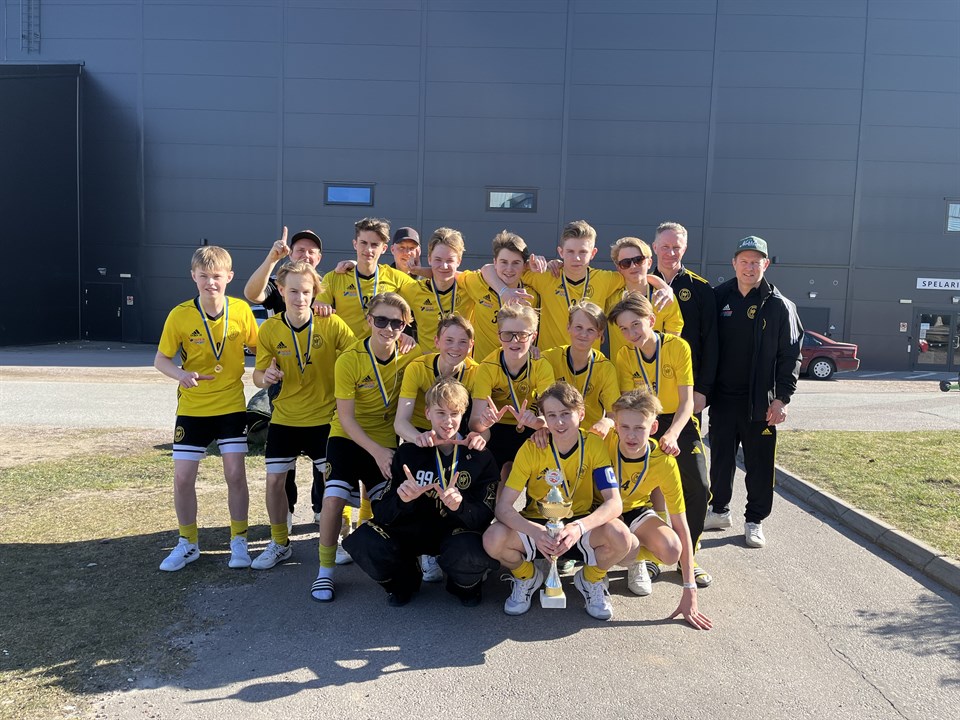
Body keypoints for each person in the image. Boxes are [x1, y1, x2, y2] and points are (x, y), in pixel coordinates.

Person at [482, 382, 632, 620]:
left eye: (565, 414)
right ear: (544, 418)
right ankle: (527, 576)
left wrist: (578, 527)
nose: (559, 422)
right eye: (551, 415)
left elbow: (614, 503)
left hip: (579, 523)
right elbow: (503, 508)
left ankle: (590, 579)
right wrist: (536, 531)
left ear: (581, 414)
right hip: (538, 523)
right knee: (492, 538)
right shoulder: (531, 448)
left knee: (622, 536)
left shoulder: (593, 445)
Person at [344, 378, 500, 607]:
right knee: (365, 540)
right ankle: (404, 581)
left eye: (454, 413)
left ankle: (463, 586)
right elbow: (382, 512)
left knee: (470, 552)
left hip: (456, 533)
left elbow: (486, 514)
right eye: (440, 413)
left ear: (463, 415)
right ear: (427, 413)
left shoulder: (479, 455)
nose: (448, 421)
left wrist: (461, 507)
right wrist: (401, 499)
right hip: (413, 530)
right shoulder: (409, 452)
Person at [311, 293, 422, 601]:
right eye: (381, 320)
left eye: (397, 323)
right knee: (333, 499)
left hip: (385, 436)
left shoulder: (411, 354)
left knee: (392, 504)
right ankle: (325, 571)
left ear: (405, 326)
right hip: (347, 437)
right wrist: (377, 452)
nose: (389, 328)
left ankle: (397, 563)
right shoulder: (349, 359)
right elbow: (346, 418)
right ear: (369, 320)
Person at [154, 246, 258, 571]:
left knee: (235, 474)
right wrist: (181, 375)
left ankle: (239, 540)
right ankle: (188, 543)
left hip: (231, 405)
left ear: (229, 277)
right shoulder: (180, 314)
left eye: (216, 276)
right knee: (183, 478)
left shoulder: (241, 310)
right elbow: (161, 359)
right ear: (193, 277)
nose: (210, 282)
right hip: (193, 407)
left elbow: (260, 347)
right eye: (203, 276)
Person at [249, 262, 356, 570]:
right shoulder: (270, 328)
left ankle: (341, 539)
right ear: (281, 291)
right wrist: (266, 377)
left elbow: (357, 355)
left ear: (315, 293)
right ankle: (280, 543)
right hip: (285, 418)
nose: (300, 298)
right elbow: (257, 375)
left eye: (306, 292)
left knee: (334, 481)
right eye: (293, 291)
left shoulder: (331, 323)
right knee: (274, 481)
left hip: (325, 418)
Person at [608, 291, 712, 587]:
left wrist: (672, 434)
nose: (631, 334)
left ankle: (689, 558)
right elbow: (630, 404)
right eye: (624, 329)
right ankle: (650, 555)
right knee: (651, 481)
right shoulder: (624, 355)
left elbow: (687, 402)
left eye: (636, 325)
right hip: (643, 420)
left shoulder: (677, 347)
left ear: (651, 320)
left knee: (700, 487)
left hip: (677, 420)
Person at [706, 236, 803, 548]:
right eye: (744, 261)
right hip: (723, 399)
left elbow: (791, 356)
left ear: (766, 264)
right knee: (720, 460)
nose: (749, 267)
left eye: (756, 262)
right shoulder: (717, 298)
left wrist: (782, 398)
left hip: (761, 403)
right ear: (734, 263)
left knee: (759, 466)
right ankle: (719, 511)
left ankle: (754, 520)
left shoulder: (780, 306)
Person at [243, 226, 328, 529]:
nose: (306, 254)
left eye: (312, 251)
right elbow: (252, 294)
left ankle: (321, 509)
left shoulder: (324, 290)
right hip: (283, 387)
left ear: (319, 258)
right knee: (284, 465)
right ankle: (286, 511)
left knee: (324, 466)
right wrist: (271, 258)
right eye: (300, 249)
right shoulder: (279, 286)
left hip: (320, 394)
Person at [608, 390, 712, 630]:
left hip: (635, 509)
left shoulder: (664, 461)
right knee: (619, 538)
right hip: (600, 510)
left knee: (672, 549)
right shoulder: (604, 441)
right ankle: (594, 573)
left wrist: (689, 589)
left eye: (639, 428)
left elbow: (681, 525)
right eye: (625, 427)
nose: (631, 435)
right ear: (616, 426)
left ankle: (634, 560)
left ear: (654, 427)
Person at [395, 313, 484, 583]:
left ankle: (468, 545)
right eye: (449, 340)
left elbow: (479, 423)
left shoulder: (477, 371)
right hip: (423, 435)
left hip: (456, 435)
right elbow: (400, 422)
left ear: (471, 346)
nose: (455, 348)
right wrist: (419, 438)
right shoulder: (417, 367)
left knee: (461, 492)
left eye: (463, 342)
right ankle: (426, 551)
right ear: (436, 341)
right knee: (422, 492)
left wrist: (479, 437)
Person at [469, 304, 553, 484]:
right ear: (499, 335)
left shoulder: (541, 366)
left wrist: (537, 423)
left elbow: (550, 418)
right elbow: (473, 422)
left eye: (522, 335)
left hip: (528, 426)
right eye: (507, 334)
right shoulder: (487, 367)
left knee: (546, 435)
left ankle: (537, 495)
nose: (514, 341)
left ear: (533, 336)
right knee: (478, 438)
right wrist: (484, 422)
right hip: (496, 426)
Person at [651, 222, 717, 417]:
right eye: (665, 247)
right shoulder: (641, 285)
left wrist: (702, 390)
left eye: (676, 247)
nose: (670, 253)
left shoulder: (701, 288)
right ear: (655, 247)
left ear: (685, 249)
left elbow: (711, 342)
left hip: (686, 386)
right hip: (646, 382)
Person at [541, 301, 619, 439]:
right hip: (555, 432)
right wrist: (542, 426)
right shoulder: (548, 358)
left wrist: (607, 422)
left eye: (590, 330)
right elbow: (540, 404)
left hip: (590, 436)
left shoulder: (605, 368)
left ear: (599, 334)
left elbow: (614, 414)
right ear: (568, 327)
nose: (583, 334)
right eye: (578, 327)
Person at [458, 230, 538, 361]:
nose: (509, 269)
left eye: (516, 263)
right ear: (495, 262)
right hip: (483, 366)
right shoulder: (478, 283)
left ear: (525, 266)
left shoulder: (531, 296)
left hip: (516, 369)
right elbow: (450, 274)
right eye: (504, 262)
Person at [607, 236, 683, 362]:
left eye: (639, 260)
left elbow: (673, 341)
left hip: (656, 370)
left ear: (649, 262)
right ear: (619, 268)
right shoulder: (610, 299)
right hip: (621, 370)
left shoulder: (664, 297)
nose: (633, 266)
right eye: (626, 263)